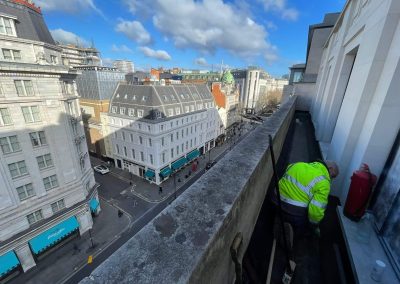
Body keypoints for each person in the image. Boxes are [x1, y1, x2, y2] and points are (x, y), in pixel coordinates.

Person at [274, 160, 339, 237]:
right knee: (305, 227)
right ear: (330, 169)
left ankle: (279, 218)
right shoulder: (324, 183)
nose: (331, 179)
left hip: (275, 200)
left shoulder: (298, 164)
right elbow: (315, 212)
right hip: (293, 212)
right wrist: (314, 226)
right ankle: (290, 231)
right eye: (333, 176)